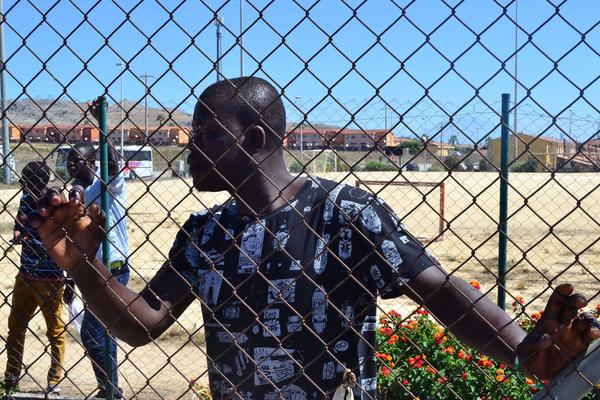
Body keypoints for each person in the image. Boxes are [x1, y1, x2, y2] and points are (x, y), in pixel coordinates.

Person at [31, 77, 600, 399]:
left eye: (205, 131)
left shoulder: (343, 212)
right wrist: (83, 264)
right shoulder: (206, 232)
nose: (189, 144)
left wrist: (524, 351)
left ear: (252, 138)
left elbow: (442, 292)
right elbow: (143, 323)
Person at [64, 140, 129, 399]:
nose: (69, 164)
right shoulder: (76, 194)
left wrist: (102, 132)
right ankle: (109, 388)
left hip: (113, 269)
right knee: (103, 333)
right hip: (89, 268)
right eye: (68, 159)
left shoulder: (107, 184)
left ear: (92, 163)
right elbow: (73, 238)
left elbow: (113, 165)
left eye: (76, 159)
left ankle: (111, 389)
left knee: (92, 332)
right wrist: (69, 278)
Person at [3, 162, 66, 395]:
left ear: (38, 183)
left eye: (26, 180)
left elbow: (62, 238)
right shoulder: (25, 198)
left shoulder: (53, 202)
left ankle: (54, 380)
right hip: (26, 274)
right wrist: (18, 234)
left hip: (50, 278)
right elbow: (20, 222)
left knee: (55, 331)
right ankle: (11, 376)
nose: (22, 184)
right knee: (15, 327)